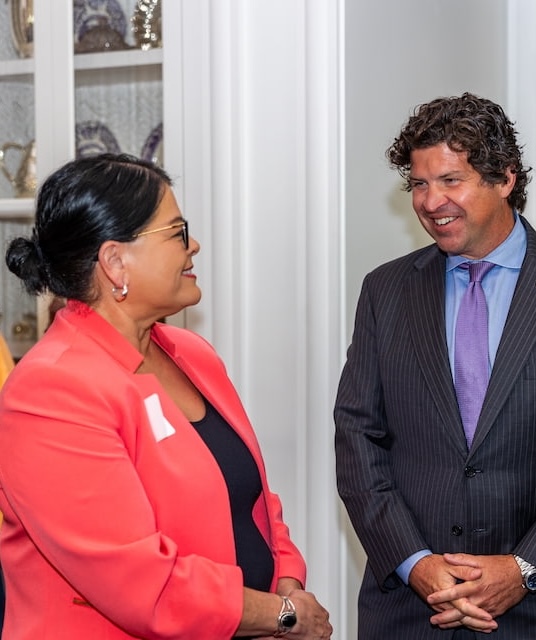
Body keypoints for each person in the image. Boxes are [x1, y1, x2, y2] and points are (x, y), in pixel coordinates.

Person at [334, 93, 536, 639]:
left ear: (504, 178)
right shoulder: (386, 290)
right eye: (420, 185)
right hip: (413, 609)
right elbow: (358, 437)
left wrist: (523, 569)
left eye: (451, 180)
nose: (432, 201)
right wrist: (415, 562)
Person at [0, 154, 333, 640]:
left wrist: (287, 587)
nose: (193, 246)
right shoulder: (49, 392)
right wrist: (282, 615)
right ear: (115, 262)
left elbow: (255, 500)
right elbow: (138, 580)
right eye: (177, 232)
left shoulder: (192, 354)